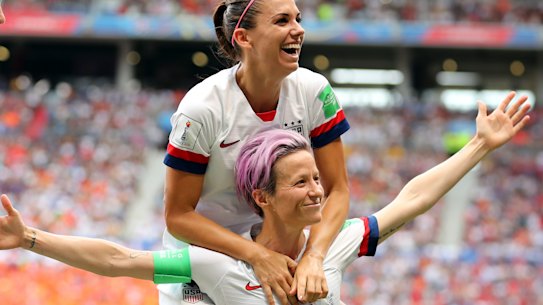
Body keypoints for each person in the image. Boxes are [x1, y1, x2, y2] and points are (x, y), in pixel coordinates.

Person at [0, 92, 531, 304]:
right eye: (301, 182)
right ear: (263, 197)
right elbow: (118, 259)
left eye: (317, 179)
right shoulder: (213, 263)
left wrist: (480, 146)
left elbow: (410, 200)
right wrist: (28, 238)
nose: (318, 189)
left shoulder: (333, 246)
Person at [162, 0, 350, 304]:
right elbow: (178, 216)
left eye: (298, 19)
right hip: (207, 257)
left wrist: (314, 256)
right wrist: (257, 255)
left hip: (278, 252)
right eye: (282, 21)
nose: (298, 30)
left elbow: (338, 190)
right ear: (244, 38)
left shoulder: (315, 91)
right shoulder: (201, 109)